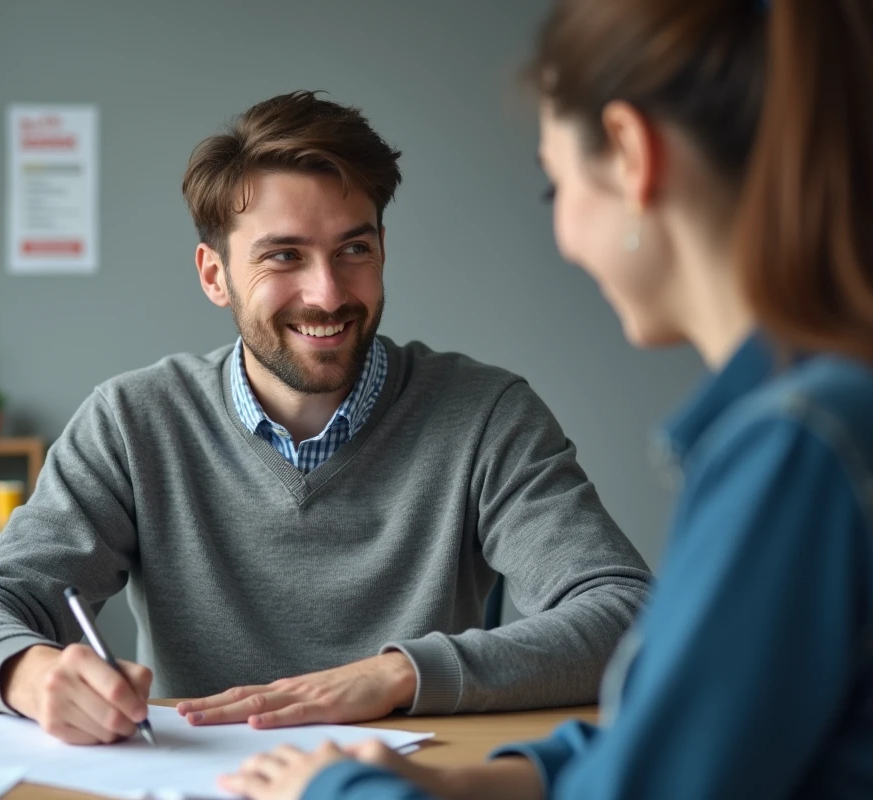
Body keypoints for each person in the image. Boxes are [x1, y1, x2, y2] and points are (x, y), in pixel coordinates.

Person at [220, 1, 873, 798]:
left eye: (552, 185)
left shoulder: (797, 447)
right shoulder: (820, 417)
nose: (563, 233)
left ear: (631, 155)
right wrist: (476, 784)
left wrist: (336, 791)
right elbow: (661, 738)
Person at [0, 90, 652, 747]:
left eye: (353, 249)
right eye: (284, 257)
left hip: (399, 786)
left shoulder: (486, 417)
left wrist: (397, 674)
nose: (327, 292)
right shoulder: (133, 422)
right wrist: (29, 672)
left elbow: (626, 613)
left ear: (383, 249)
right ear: (215, 275)